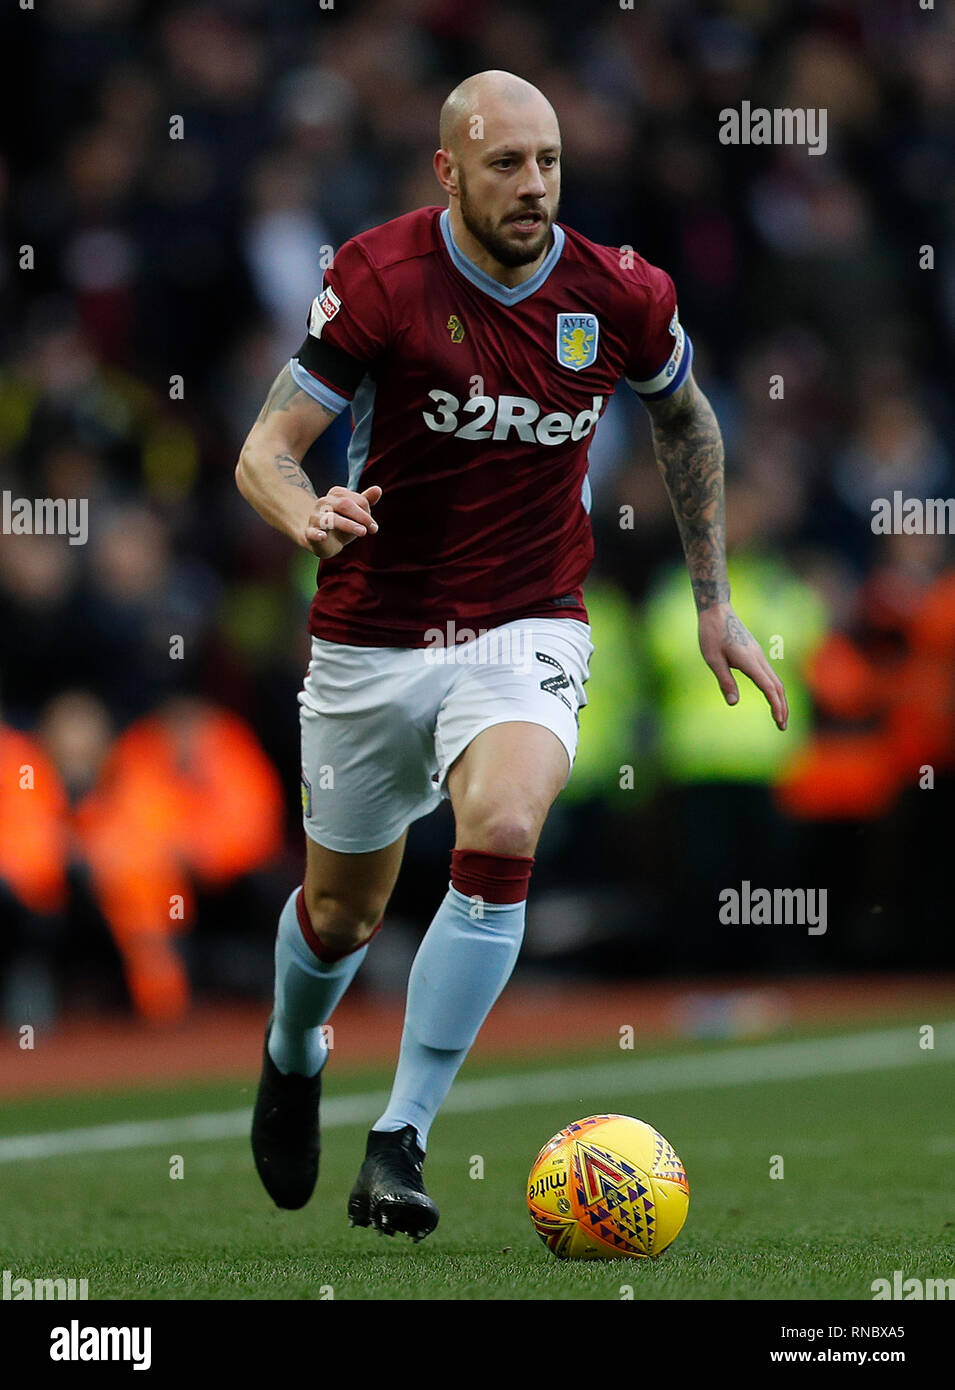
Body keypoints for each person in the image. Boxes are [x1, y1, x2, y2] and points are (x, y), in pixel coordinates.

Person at [235, 70, 788, 1242]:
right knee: (340, 917)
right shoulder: (379, 278)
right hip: (372, 632)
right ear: (448, 171)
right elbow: (266, 449)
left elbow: (685, 415)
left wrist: (713, 599)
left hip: (527, 619)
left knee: (504, 825)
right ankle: (294, 1051)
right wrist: (303, 512)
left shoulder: (620, 291)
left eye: (546, 161)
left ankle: (401, 1137)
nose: (533, 184)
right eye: (504, 164)